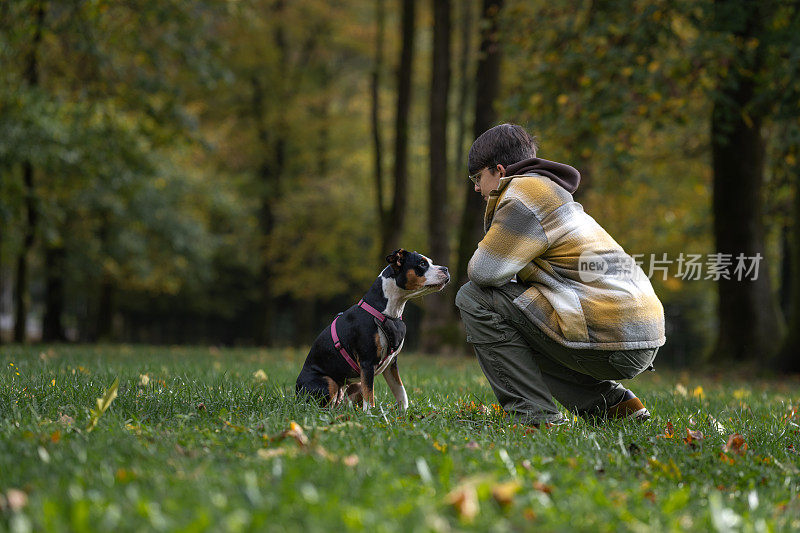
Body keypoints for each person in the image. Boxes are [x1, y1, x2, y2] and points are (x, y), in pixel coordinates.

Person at [455, 124, 666, 426]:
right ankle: (615, 408)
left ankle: (535, 417)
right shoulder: (545, 191)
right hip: (637, 330)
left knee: (474, 298)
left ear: (499, 170)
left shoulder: (521, 195)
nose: (477, 187)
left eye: (478, 177)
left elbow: (483, 272)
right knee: (522, 319)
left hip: (613, 332)